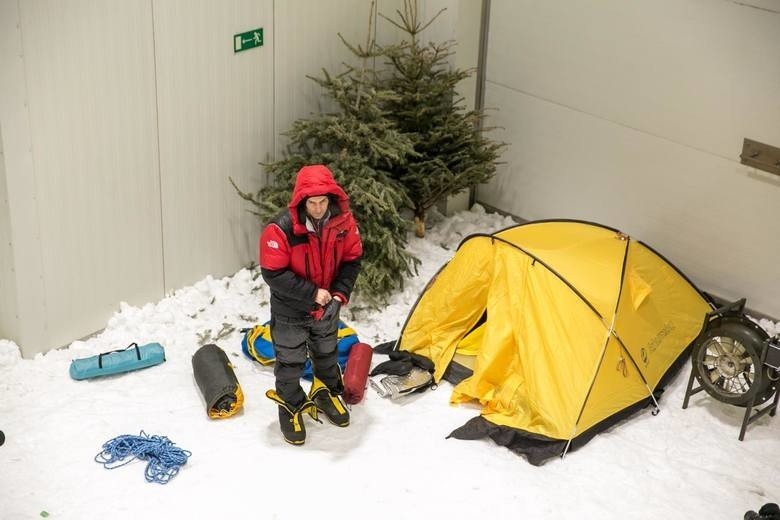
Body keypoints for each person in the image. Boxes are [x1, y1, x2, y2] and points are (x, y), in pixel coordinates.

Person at [259, 164, 362, 445]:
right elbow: (273, 273)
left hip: (328, 307)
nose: (318, 208)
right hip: (291, 310)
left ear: (331, 198)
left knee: (327, 353)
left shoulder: (344, 224)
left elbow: (352, 260)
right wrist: (311, 293)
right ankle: (290, 404)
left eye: (323, 201)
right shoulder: (279, 230)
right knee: (290, 361)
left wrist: (339, 295)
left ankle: (325, 390)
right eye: (312, 203)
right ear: (302, 201)